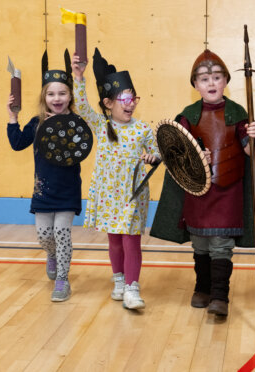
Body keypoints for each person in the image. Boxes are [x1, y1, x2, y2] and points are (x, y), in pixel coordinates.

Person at [150, 49, 255, 317]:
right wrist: (193, 157)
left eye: (216, 77)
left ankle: (220, 295)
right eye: (204, 78)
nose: (211, 83)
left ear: (225, 81)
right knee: (200, 242)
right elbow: (176, 151)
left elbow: (250, 153)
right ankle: (202, 287)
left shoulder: (237, 113)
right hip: (199, 190)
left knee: (221, 244)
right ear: (195, 85)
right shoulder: (188, 115)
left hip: (228, 189)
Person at [72, 49, 160, 310]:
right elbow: (82, 106)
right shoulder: (102, 125)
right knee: (114, 240)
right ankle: (119, 280)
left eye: (133, 98)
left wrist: (152, 157)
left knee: (131, 240)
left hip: (133, 194)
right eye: (124, 98)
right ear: (109, 103)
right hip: (108, 193)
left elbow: (156, 152)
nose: (130, 103)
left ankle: (133, 287)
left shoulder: (142, 128)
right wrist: (78, 77)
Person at [7, 50, 81, 302]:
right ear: (44, 97)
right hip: (43, 190)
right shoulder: (36, 122)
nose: (57, 98)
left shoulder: (76, 122)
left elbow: (80, 148)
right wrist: (12, 117)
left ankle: (63, 279)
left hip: (68, 189)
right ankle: (52, 254)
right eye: (51, 93)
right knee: (44, 236)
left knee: (61, 233)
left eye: (62, 93)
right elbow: (17, 143)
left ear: (70, 95)